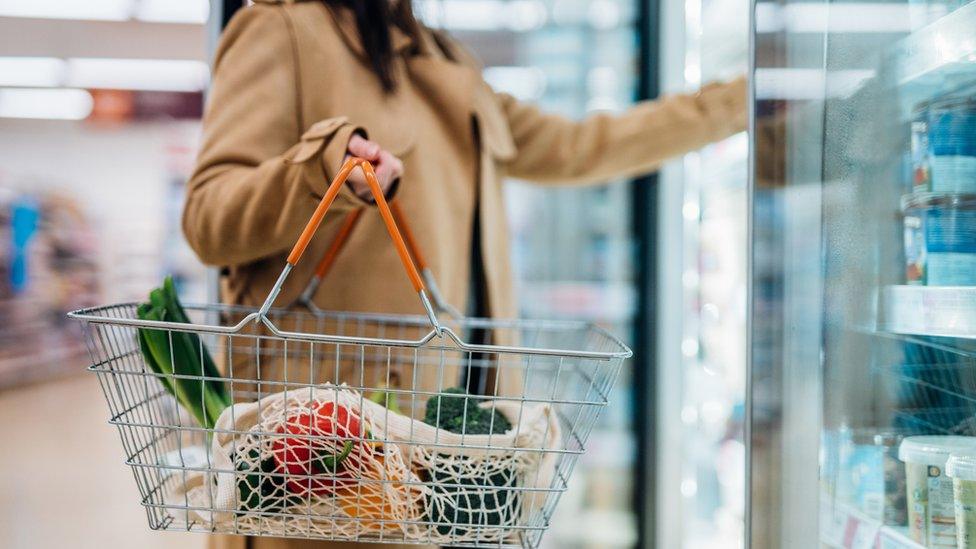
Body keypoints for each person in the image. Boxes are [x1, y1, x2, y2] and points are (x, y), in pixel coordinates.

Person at [182, 1, 746, 548]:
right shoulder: (280, 30)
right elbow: (208, 219)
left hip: (459, 457)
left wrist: (737, 103)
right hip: (326, 462)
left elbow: (578, 147)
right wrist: (323, 168)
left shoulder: (444, 56)